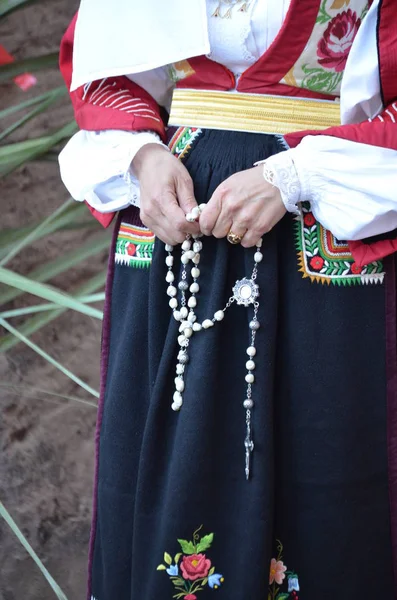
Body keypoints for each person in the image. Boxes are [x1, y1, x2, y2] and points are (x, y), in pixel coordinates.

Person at [58, 1, 397, 598]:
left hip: (323, 213)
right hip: (174, 219)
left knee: (329, 461)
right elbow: (104, 74)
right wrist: (141, 154)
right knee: (164, 465)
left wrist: (297, 175)